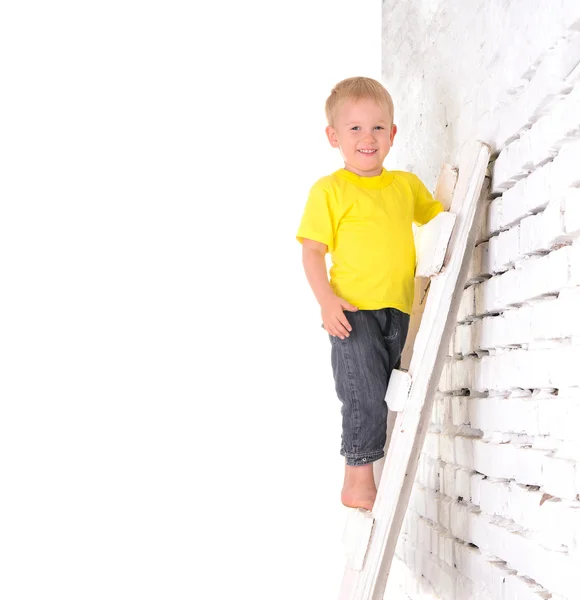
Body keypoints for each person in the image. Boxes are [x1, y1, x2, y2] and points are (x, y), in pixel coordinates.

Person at [296, 77, 443, 510]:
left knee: (386, 395)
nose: (368, 138)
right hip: (352, 311)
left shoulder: (405, 186)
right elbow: (312, 253)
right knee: (360, 391)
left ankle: (381, 469)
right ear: (334, 137)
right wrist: (326, 300)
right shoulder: (330, 190)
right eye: (355, 128)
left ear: (393, 134)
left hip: (398, 312)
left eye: (378, 128)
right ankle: (357, 477)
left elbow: (438, 223)